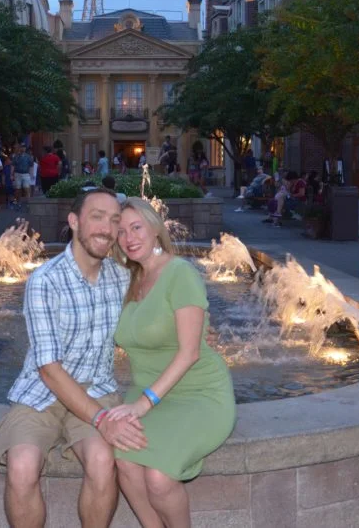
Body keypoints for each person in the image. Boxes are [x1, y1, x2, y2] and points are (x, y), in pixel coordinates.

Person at [0, 188, 145, 528]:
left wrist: (196, 332)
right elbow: (48, 369)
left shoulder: (122, 279)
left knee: (102, 461)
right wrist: (102, 420)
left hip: (96, 387)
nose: (106, 229)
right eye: (97, 217)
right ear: (74, 221)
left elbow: (156, 318)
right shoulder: (45, 280)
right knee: (21, 467)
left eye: (114, 220)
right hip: (40, 393)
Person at [106, 198, 236, 527]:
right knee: (125, 463)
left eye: (136, 227)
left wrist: (143, 406)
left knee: (159, 479)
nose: (129, 237)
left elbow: (190, 352)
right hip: (144, 389)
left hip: (198, 393)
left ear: (155, 229)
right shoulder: (127, 280)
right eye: (120, 232)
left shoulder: (180, 272)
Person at [11, 144, 33, 209]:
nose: (23, 148)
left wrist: (31, 174)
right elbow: (13, 165)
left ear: (25, 148)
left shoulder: (29, 157)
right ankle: (18, 202)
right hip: (17, 174)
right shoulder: (16, 156)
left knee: (27, 189)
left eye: (24, 147)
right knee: (18, 189)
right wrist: (11, 174)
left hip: (26, 174)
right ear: (19, 148)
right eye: (21, 147)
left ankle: (28, 203)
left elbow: (31, 166)